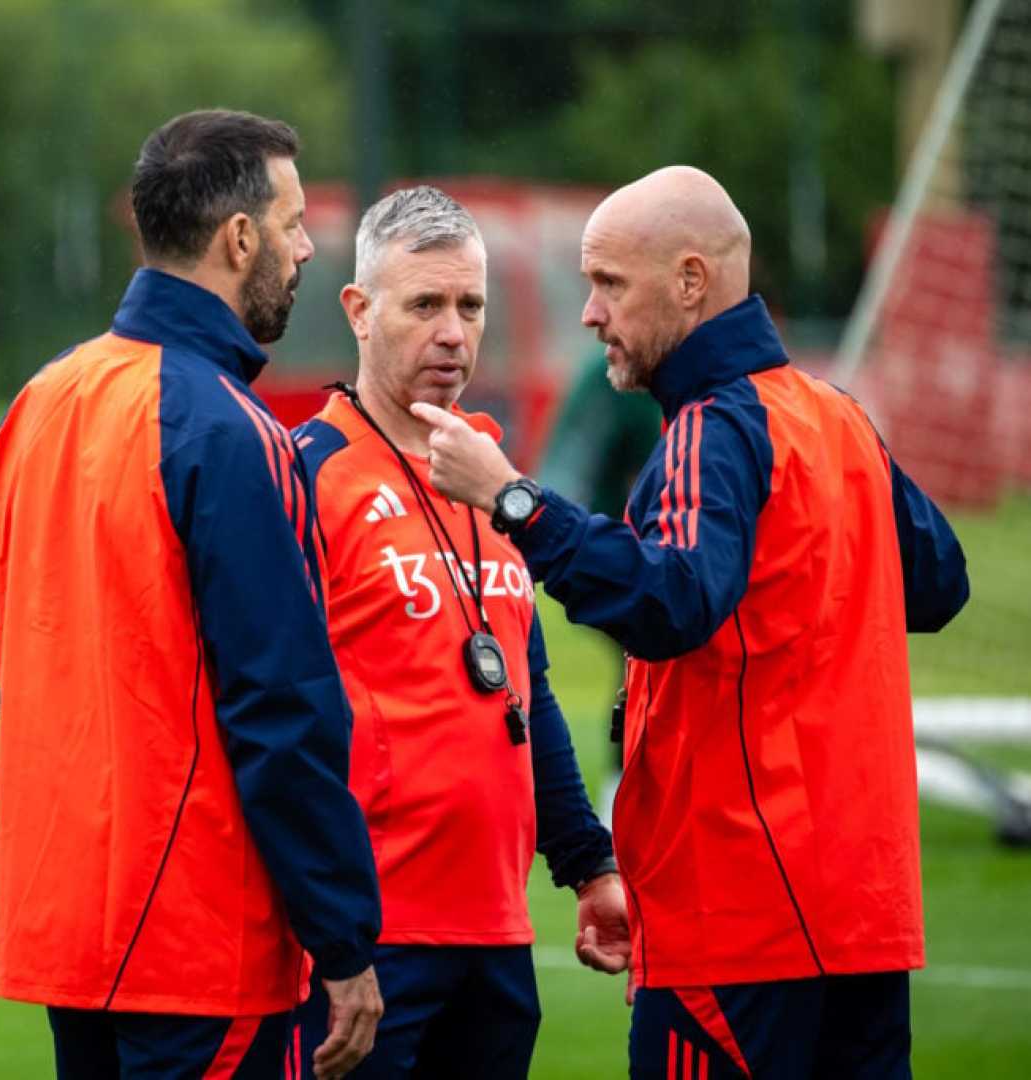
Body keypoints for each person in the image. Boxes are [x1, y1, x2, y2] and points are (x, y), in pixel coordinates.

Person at [410, 166, 969, 1078]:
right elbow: (938, 581)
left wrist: (512, 501)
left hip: (740, 912)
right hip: (861, 910)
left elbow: (668, 604)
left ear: (689, 282)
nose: (591, 313)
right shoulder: (834, 418)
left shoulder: (713, 426)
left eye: (609, 284)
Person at [0, 110, 383, 1080]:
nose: (303, 248)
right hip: (195, 944)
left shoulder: (39, 402)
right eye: (291, 225)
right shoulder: (227, 430)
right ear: (236, 238)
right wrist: (343, 938)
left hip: (67, 930)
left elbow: (19, 663)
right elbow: (280, 706)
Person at [289, 186, 627, 1078]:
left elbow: (526, 690)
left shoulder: (488, 470)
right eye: (424, 305)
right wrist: (326, 932)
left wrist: (590, 865)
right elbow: (267, 715)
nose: (452, 332)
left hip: (495, 932)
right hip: (369, 941)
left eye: (469, 305)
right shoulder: (305, 477)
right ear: (359, 312)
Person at [538, 347, 663, 825]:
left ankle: (623, 810)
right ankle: (619, 812)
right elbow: (574, 471)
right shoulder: (618, 379)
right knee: (643, 667)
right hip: (607, 547)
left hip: (613, 547)